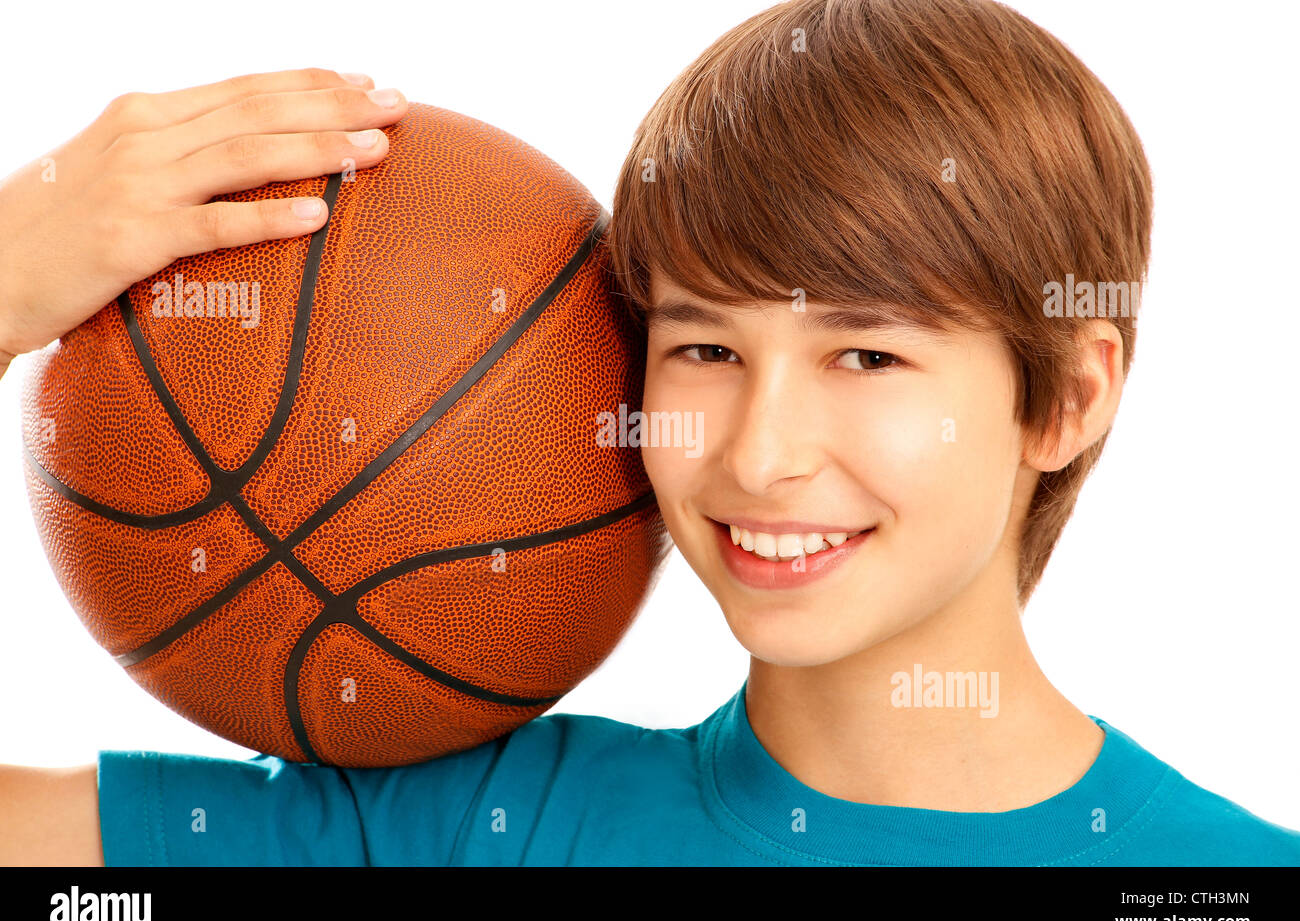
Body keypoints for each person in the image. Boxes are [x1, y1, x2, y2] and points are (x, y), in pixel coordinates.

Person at [2, 0, 1297, 866]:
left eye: (866, 353)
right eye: (707, 349)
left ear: (1067, 396)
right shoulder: (470, 826)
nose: (759, 452)